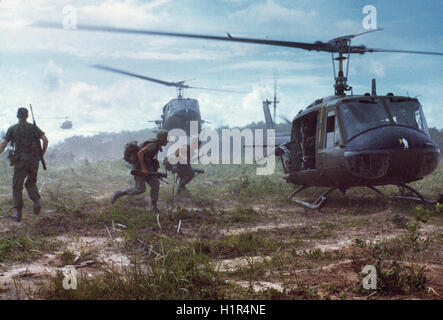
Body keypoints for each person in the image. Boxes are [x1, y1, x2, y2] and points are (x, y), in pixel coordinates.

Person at [0, 107, 49, 222]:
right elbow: (45, 140)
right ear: (27, 116)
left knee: (17, 186)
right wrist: (41, 154)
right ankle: (37, 201)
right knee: (31, 183)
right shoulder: (34, 128)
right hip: (34, 161)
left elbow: (4, 145)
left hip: (21, 161)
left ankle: (18, 214)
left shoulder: (12, 128)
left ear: (17, 116)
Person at [111, 130, 168, 213]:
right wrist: (144, 169)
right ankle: (119, 193)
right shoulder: (153, 145)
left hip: (147, 167)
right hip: (139, 167)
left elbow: (148, 158)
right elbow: (140, 153)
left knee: (155, 184)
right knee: (140, 189)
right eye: (166, 139)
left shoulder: (156, 145)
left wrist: (153, 172)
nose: (167, 141)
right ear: (162, 139)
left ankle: (153, 207)